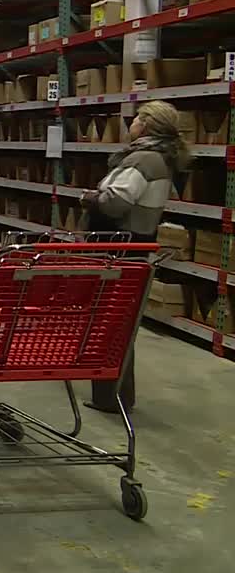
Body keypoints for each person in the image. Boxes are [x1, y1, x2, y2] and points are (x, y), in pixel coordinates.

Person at [79, 100, 190, 413]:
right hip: (134, 247)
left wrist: (88, 198)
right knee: (118, 324)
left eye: (137, 118)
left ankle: (111, 397)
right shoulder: (160, 159)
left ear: (147, 124)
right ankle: (112, 395)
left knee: (110, 324)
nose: (131, 123)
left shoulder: (144, 159)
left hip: (119, 249)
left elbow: (116, 202)